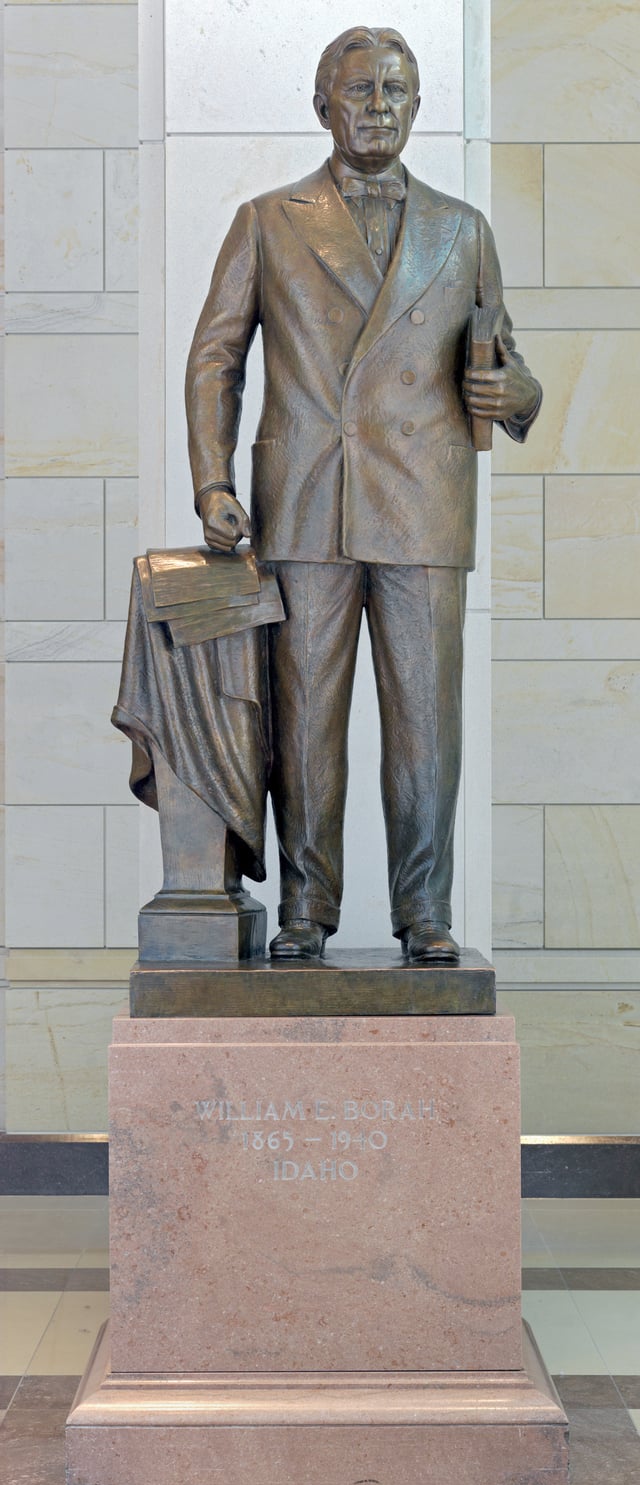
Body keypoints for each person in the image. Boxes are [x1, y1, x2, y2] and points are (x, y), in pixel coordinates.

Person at [185, 25, 541, 963]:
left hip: (425, 503)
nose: (377, 106)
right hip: (308, 500)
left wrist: (520, 396)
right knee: (306, 724)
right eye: (359, 91)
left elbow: (507, 364)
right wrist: (213, 479)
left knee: (427, 725)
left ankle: (425, 912)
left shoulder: (462, 229)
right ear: (321, 106)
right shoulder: (269, 219)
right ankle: (308, 908)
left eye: (395, 91)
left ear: (419, 108)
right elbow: (216, 358)